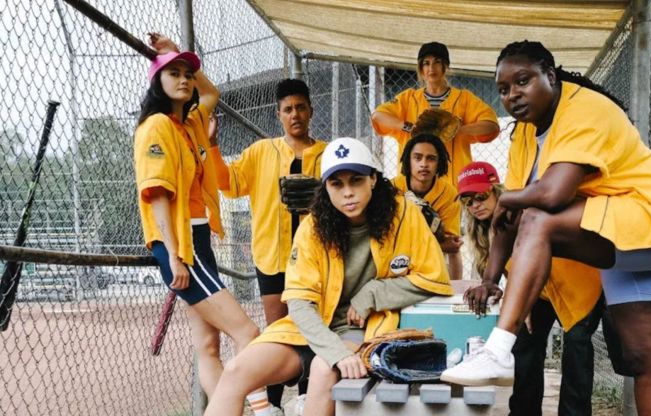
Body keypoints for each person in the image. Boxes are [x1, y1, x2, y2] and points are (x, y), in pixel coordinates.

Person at [441, 41, 651, 416]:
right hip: (625, 241)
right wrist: (491, 279)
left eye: (523, 81)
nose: (513, 95)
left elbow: (550, 195)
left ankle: (498, 350)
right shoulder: (525, 135)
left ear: (550, 75)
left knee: (536, 217)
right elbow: (507, 221)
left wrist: (509, 199)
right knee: (647, 359)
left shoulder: (585, 109)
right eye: (503, 89)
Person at [204, 138, 453, 416]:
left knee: (323, 369)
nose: (348, 192)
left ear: (373, 179)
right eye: (337, 184)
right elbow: (298, 303)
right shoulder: (313, 226)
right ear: (326, 188)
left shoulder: (402, 214)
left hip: (360, 328)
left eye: (355, 180)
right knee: (236, 371)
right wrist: (336, 351)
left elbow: (434, 277)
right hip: (311, 328)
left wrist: (372, 293)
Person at [132, 33, 265, 411]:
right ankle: (263, 409)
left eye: (188, 73)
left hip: (199, 238)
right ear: (156, 80)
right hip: (179, 244)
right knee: (248, 332)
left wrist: (176, 48)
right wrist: (174, 256)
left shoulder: (188, 124)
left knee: (208, 346)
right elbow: (157, 193)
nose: (185, 79)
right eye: (173, 72)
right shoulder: (156, 126)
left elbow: (212, 94)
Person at [209, 78, 325, 415]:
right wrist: (213, 146)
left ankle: (306, 398)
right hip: (273, 258)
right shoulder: (262, 151)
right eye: (288, 109)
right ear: (278, 115)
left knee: (311, 327)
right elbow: (229, 185)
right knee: (277, 330)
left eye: (300, 107)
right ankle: (272, 405)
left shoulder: (326, 153)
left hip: (315, 262)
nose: (295, 114)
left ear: (310, 111)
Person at [457, 161, 603, 416]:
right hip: (539, 290)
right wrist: (521, 302)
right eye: (467, 201)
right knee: (523, 344)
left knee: (576, 350)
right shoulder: (480, 232)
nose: (475, 205)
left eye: (480, 196)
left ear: (497, 191)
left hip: (575, 283)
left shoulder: (517, 212)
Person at [371, 41, 500, 186]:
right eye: (426, 63)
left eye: (437, 62)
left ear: (445, 66)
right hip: (414, 185)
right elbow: (378, 116)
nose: (431, 68)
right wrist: (408, 127)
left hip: (455, 183)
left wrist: (457, 130)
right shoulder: (408, 99)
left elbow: (491, 126)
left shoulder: (464, 98)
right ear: (420, 68)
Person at [391, 133, 463, 279]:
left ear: (439, 163)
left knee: (455, 250)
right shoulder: (392, 188)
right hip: (395, 254)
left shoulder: (449, 193)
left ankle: (454, 294)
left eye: (431, 158)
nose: (424, 164)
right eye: (417, 158)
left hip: (431, 257)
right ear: (408, 161)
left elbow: (450, 242)